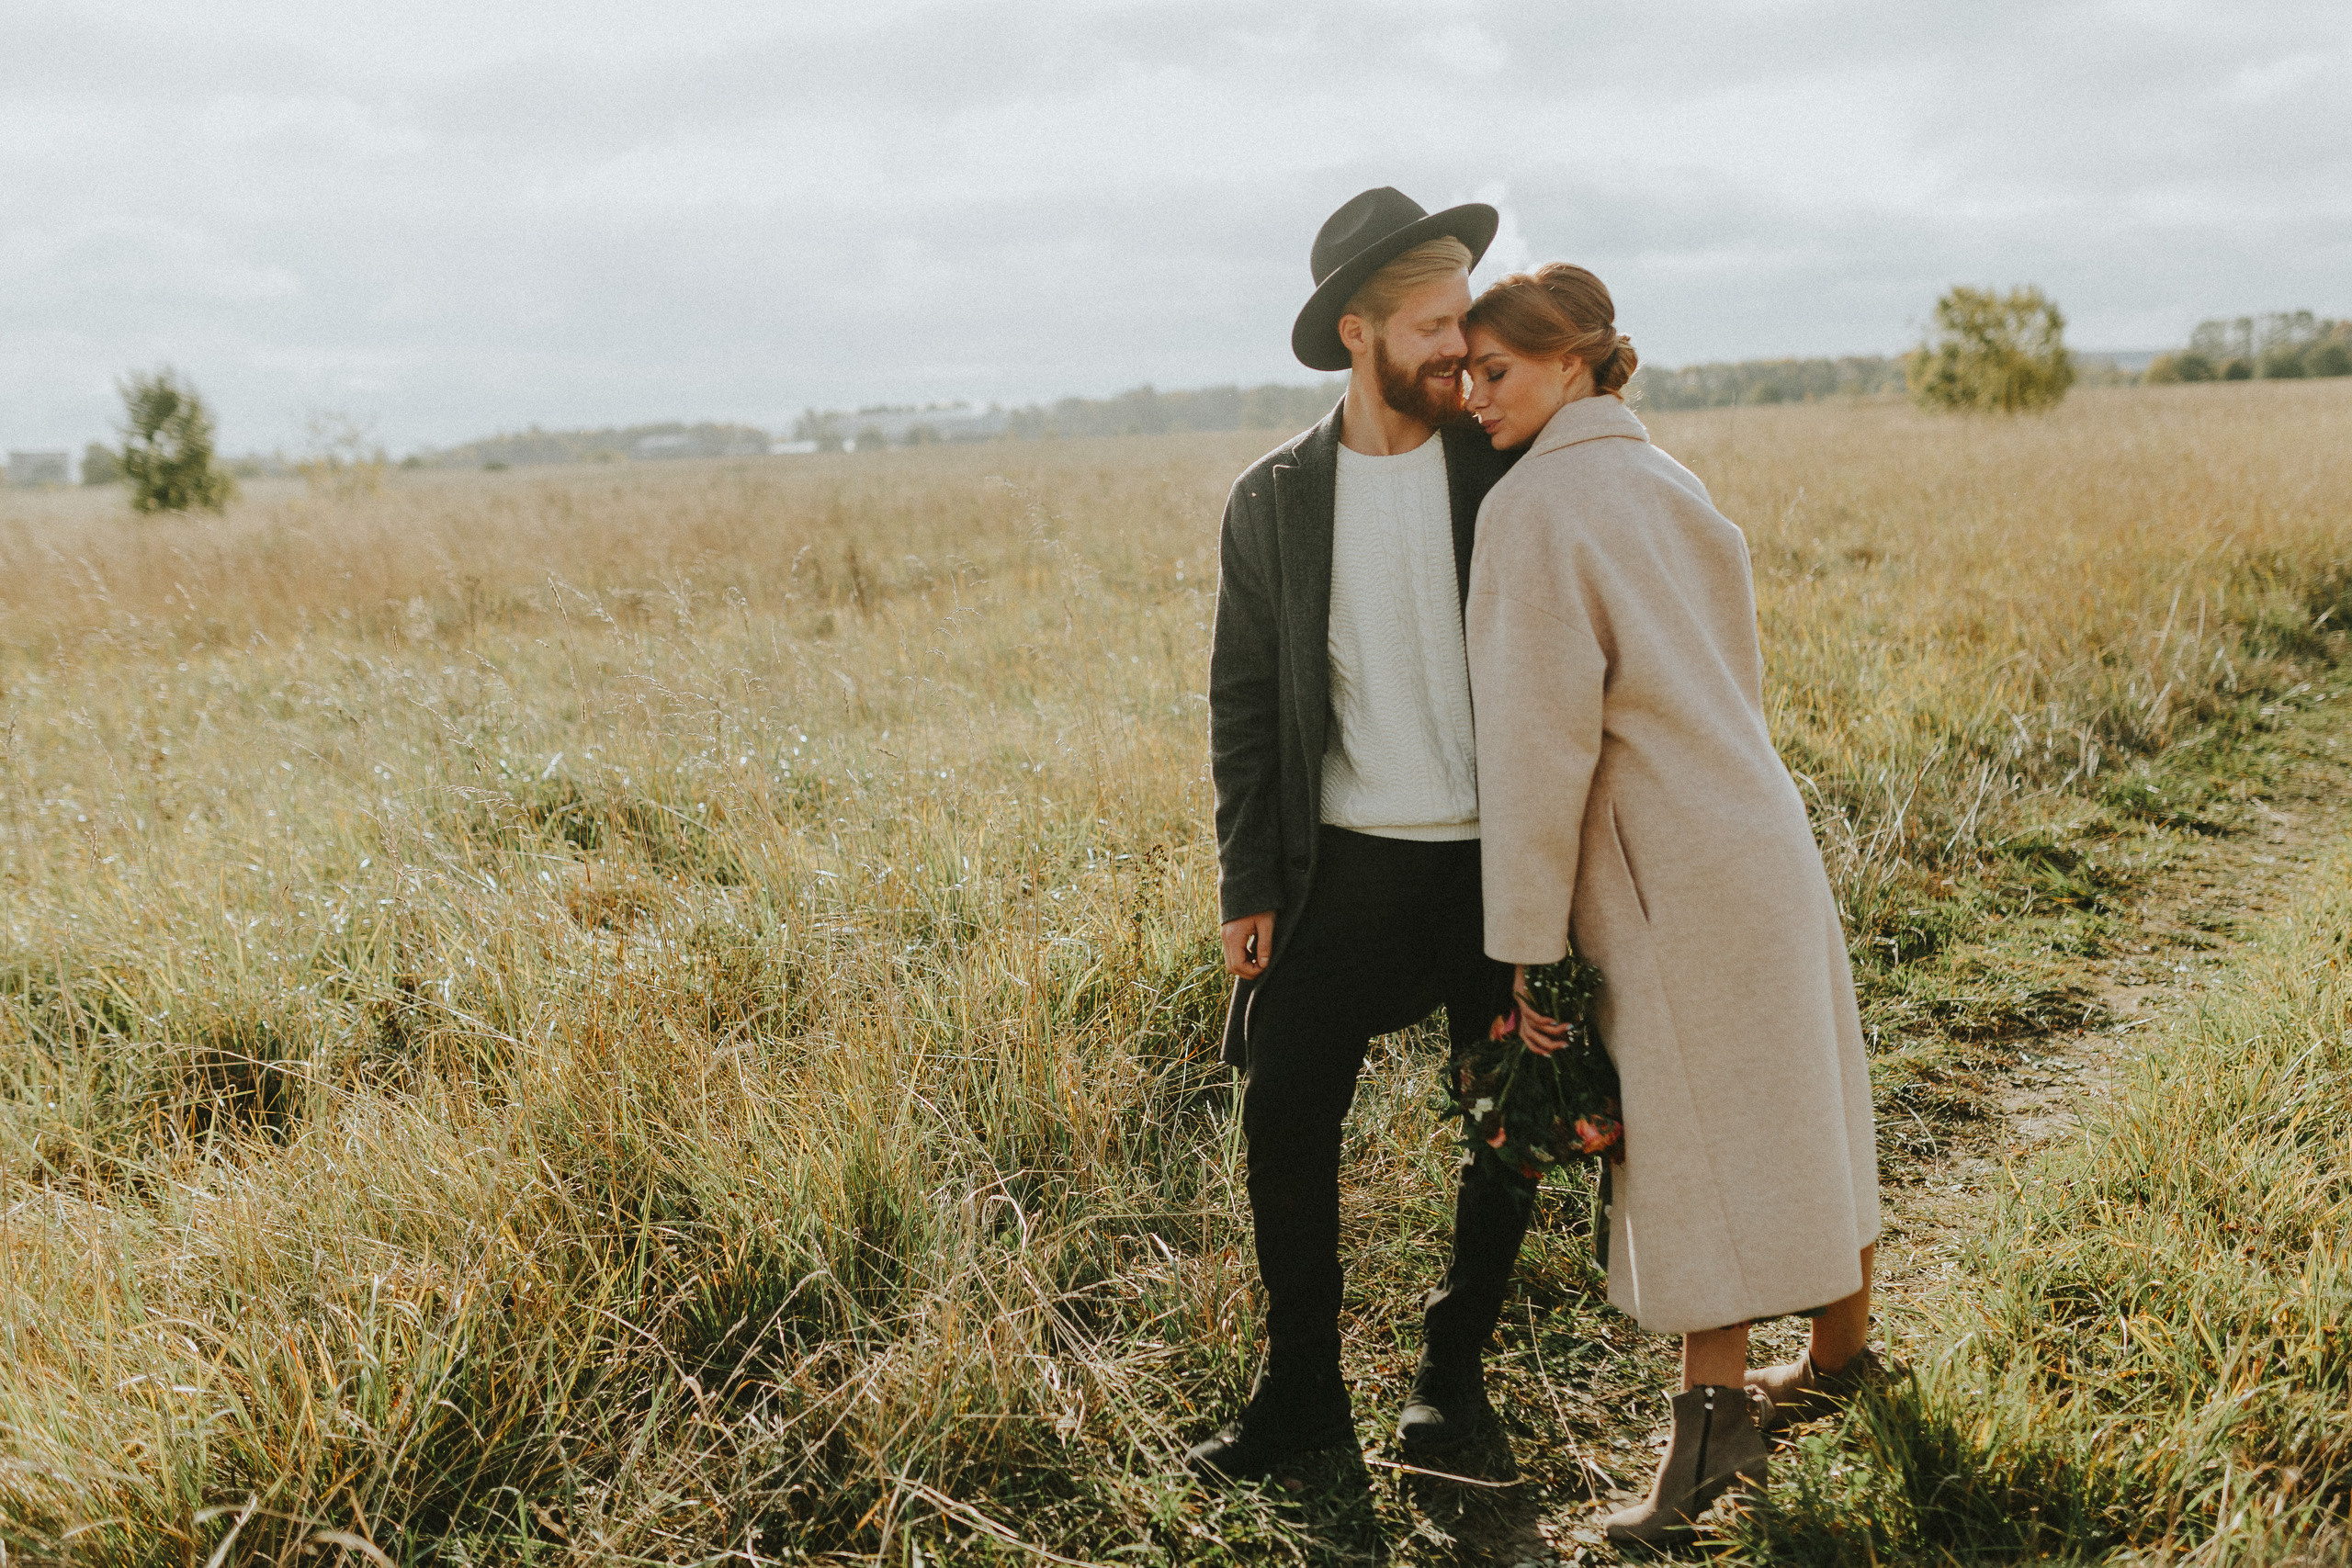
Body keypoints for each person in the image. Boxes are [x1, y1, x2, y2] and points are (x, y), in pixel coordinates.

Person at [1459, 264, 1884, 1546]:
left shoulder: (1533, 507)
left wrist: (1524, 947)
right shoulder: (1667, 479)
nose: (1476, 398)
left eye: (1501, 372)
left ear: (1580, 360)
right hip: (1758, 833)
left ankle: (1707, 1446)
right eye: (1469, 372)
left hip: (1661, 870)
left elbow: (1538, 748)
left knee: (1695, 1140)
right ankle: (1842, 1355)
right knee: (1804, 1093)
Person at [1190, 187, 1530, 1483]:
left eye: (1466, 320)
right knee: (1283, 1113)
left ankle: (1454, 1380)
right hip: (1341, 863)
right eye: (1435, 324)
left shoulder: (1502, 463)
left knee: (1507, 1115)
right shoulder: (1273, 499)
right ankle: (1303, 1400)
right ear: (1359, 332)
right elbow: (1240, 699)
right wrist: (1244, 880)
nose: (1460, 346)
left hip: (1499, 861)